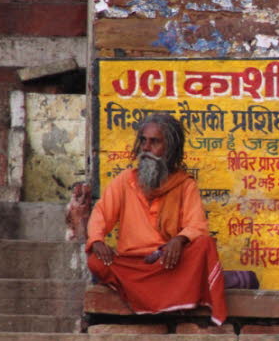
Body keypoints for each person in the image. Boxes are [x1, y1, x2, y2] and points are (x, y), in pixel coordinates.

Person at [86, 113, 228, 324]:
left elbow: (197, 225)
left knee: (204, 245)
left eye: (154, 142)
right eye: (143, 140)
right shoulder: (125, 180)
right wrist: (97, 241)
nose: (146, 148)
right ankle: (166, 298)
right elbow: (101, 214)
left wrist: (179, 241)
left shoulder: (185, 184)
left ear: (169, 148)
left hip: (167, 263)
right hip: (133, 265)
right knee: (96, 261)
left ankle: (162, 298)